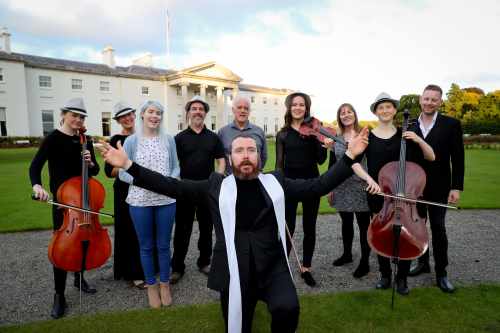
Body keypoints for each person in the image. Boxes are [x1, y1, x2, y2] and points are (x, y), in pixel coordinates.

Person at [100, 128, 370, 333]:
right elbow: (171, 186)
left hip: (272, 264)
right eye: (239, 151)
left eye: (251, 150)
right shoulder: (216, 186)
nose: (245, 156)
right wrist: (128, 166)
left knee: (288, 308)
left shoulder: (276, 182)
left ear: (260, 156)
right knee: (238, 325)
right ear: (230, 158)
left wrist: (349, 157)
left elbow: (319, 186)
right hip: (233, 267)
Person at [352, 92, 435, 295]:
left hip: (405, 195)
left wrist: (418, 139)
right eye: (381, 107)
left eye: (388, 107)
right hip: (379, 194)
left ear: (394, 110)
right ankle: (385, 275)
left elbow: (430, 157)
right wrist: (369, 179)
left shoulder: (405, 134)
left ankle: (402, 279)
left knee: (405, 236)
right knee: (381, 233)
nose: (385, 110)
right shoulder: (368, 136)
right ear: (375, 111)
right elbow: (353, 162)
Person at [29, 97, 100, 319]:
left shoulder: (85, 140)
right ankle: (59, 295)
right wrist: (37, 185)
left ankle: (79, 278)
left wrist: (90, 163)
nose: (78, 120)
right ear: (64, 115)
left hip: (85, 203)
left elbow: (95, 171)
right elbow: (35, 167)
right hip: (64, 204)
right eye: (74, 115)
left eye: (82, 116)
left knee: (85, 241)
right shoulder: (52, 139)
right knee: (62, 248)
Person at [119, 100, 179, 308]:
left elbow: (175, 168)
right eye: (151, 112)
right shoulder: (132, 142)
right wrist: (145, 183)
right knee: (146, 246)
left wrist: (168, 184)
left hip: (166, 200)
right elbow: (122, 172)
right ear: (143, 114)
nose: (155, 116)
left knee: (163, 245)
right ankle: (151, 286)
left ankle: (164, 284)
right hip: (139, 201)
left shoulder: (169, 140)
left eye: (159, 113)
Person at [407, 84, 465, 293]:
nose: (429, 102)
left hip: (440, 187)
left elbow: (458, 158)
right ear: (420, 100)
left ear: (440, 102)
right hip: (416, 187)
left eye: (434, 99)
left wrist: (456, 187)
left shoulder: (451, 124)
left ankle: (442, 273)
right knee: (419, 228)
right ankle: (423, 263)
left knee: (438, 228)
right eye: (426, 98)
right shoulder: (410, 124)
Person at [275, 92, 329, 287]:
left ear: (306, 108)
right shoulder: (283, 134)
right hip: (289, 185)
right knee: (288, 227)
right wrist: (278, 187)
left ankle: (306, 267)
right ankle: (283, 267)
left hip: (311, 184)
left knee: (309, 227)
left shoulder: (314, 131)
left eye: (302, 105)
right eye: (295, 104)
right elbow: (279, 165)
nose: (298, 107)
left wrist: (323, 143)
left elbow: (321, 160)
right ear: (289, 108)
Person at [170, 96, 226, 284]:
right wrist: (177, 182)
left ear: (205, 113)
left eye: (201, 109)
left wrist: (216, 180)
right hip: (185, 190)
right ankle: (177, 267)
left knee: (206, 228)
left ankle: (204, 262)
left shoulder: (213, 137)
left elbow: (221, 160)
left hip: (206, 191)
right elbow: (172, 163)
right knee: (182, 230)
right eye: (194, 108)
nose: (197, 111)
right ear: (188, 113)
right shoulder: (179, 138)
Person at [104, 102, 148, 289]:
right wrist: (126, 165)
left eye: (130, 114)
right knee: (128, 231)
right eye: (123, 116)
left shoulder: (143, 136)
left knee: (144, 230)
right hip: (124, 190)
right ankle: (133, 273)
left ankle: (145, 268)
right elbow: (108, 171)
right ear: (118, 120)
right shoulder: (115, 140)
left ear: (134, 115)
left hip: (143, 187)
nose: (128, 118)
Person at [327, 103, 372, 278]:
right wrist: (330, 187)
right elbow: (332, 165)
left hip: (360, 185)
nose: (346, 115)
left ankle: (365, 262)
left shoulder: (364, 134)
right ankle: (347, 255)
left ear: (355, 114)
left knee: (363, 226)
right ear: (339, 117)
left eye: (349, 112)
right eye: (342, 113)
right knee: (346, 223)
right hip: (341, 185)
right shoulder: (336, 137)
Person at [218, 96, 267, 174]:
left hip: (255, 178)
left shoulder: (259, 131)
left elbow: (263, 157)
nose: (243, 110)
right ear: (233, 110)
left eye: (246, 108)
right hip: (231, 179)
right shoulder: (223, 132)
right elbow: (220, 158)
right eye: (239, 107)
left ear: (249, 111)